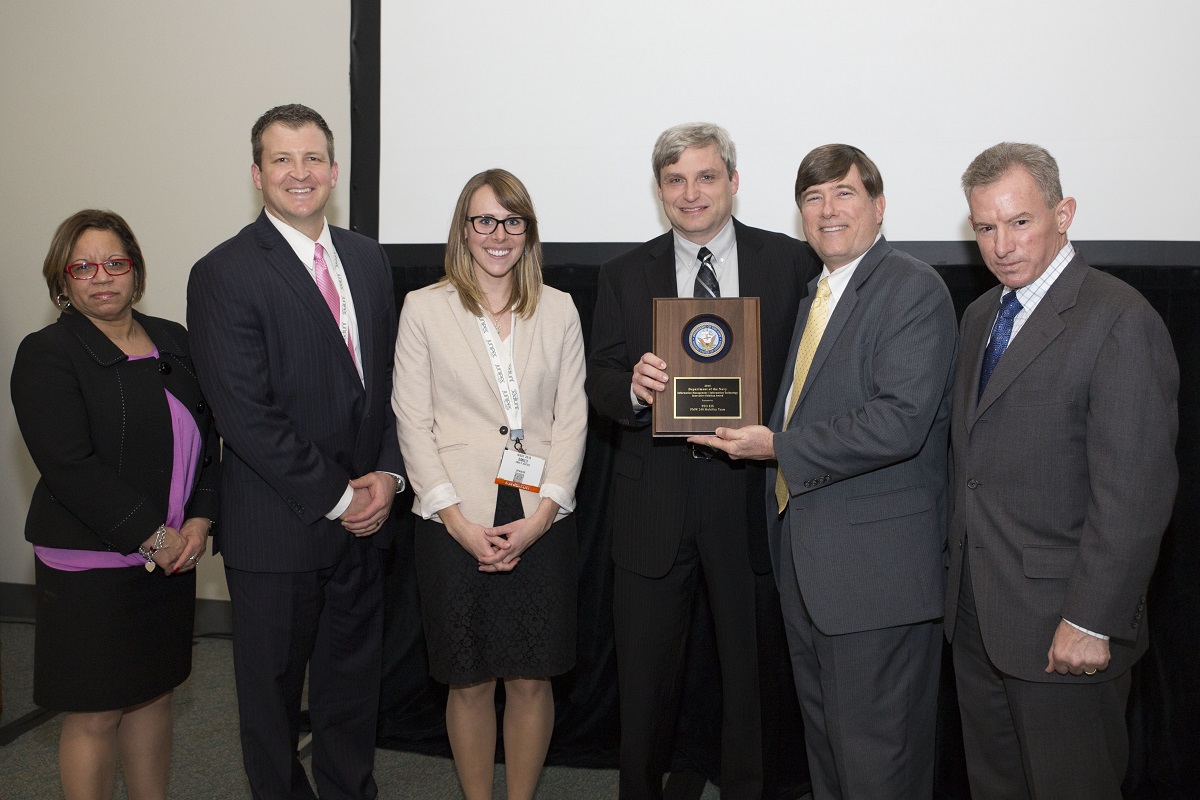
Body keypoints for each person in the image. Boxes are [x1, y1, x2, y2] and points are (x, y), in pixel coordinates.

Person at [692, 144, 957, 799]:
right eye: (813, 197)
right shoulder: (819, 293)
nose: (827, 209)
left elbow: (899, 421)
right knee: (833, 762)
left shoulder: (911, 287)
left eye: (843, 193)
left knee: (878, 768)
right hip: (811, 572)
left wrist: (777, 446)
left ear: (879, 204)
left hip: (876, 581)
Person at [945, 142, 1178, 799]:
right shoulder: (978, 317)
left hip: (1063, 630)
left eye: (1020, 222)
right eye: (985, 228)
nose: (1002, 245)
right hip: (977, 622)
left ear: (1063, 212)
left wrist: (1092, 619)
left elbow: (1133, 494)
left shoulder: (1118, 319)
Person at [586, 122, 811, 799]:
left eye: (706, 177)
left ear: (733, 182)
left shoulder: (790, 263)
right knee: (647, 678)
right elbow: (599, 375)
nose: (692, 193)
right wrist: (633, 384)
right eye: (676, 180)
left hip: (748, 495)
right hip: (654, 498)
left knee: (750, 675)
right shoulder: (624, 273)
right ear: (660, 191)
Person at [187, 104, 405, 800]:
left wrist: (390, 479)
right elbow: (245, 417)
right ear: (257, 174)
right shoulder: (223, 272)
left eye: (312, 158)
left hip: (366, 526)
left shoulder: (368, 258)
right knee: (272, 708)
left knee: (350, 693)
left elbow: (393, 384)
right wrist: (342, 498)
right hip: (280, 530)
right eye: (282, 159)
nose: (299, 173)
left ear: (334, 171)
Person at [10, 209, 219, 800]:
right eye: (83, 266)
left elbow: (210, 435)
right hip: (92, 566)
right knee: (96, 711)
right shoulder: (48, 353)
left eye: (115, 263)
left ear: (135, 270)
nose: (101, 277)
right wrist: (153, 535)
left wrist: (200, 520)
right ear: (63, 280)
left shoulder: (174, 339)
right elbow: (70, 466)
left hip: (173, 555)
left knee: (155, 693)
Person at [392, 169, 587, 800]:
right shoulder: (424, 308)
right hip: (456, 517)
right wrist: (455, 522)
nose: (497, 234)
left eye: (512, 221)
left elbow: (572, 419)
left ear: (528, 232)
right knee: (468, 679)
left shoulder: (558, 308)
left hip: (540, 515)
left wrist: (540, 519)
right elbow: (412, 420)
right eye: (484, 220)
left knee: (532, 677)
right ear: (463, 229)